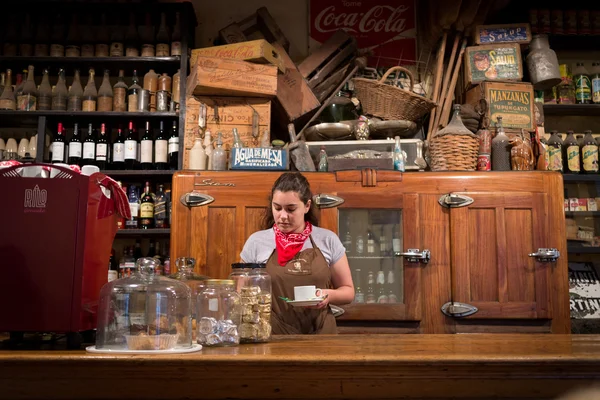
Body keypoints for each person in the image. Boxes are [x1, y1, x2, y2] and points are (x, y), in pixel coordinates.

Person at [240, 172, 354, 334]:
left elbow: (348, 291)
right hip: (273, 334)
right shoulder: (256, 242)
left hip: (321, 335)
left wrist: (327, 295)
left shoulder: (327, 239)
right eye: (277, 208)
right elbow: (241, 294)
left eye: (291, 209)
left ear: (307, 206)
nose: (283, 216)